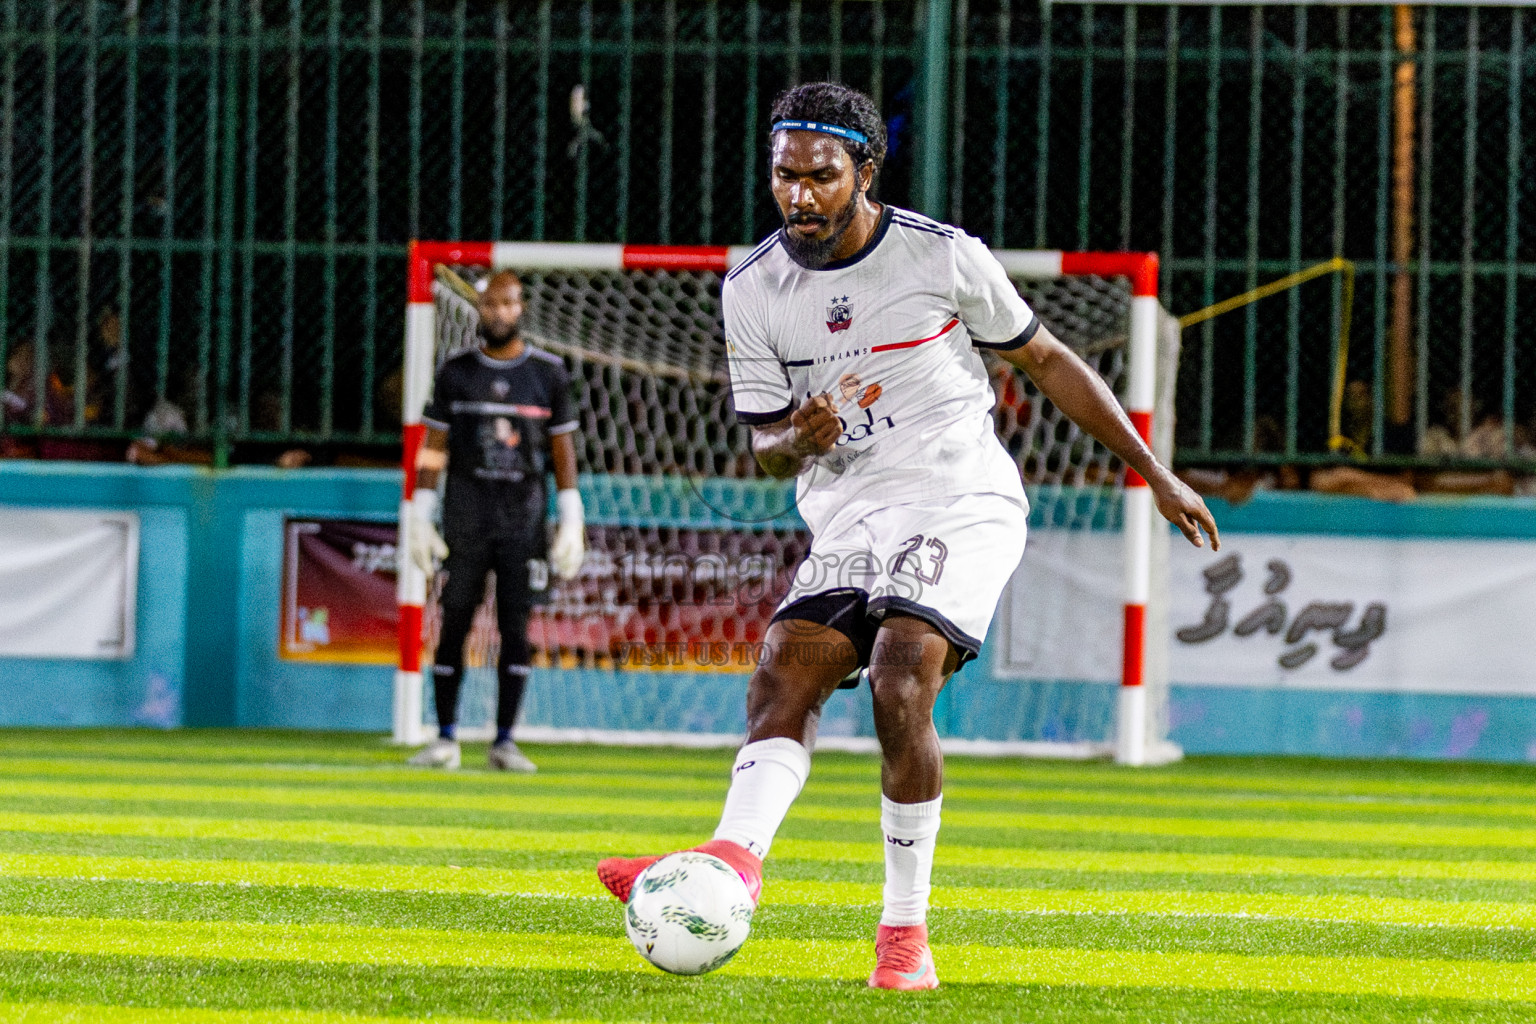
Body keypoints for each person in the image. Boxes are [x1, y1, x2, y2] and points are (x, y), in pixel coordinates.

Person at [594, 82, 1219, 990]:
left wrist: (1152, 470)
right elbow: (764, 445)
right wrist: (792, 442)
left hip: (960, 497)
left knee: (899, 674)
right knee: (784, 669)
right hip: (848, 509)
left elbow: (1045, 358)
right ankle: (732, 862)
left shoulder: (941, 257)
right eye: (783, 177)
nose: (799, 196)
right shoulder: (753, 287)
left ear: (864, 173)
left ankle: (903, 934)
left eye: (820, 176)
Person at [405, 270, 586, 772]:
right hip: (465, 517)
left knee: (516, 627)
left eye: (507, 304)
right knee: (453, 622)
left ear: (521, 307)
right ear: (477, 309)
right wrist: (419, 512)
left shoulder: (548, 373)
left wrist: (571, 512)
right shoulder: (455, 372)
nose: (499, 313)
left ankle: (505, 740)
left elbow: (561, 447)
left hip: (523, 523)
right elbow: (434, 447)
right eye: (490, 305)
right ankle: (444, 738)